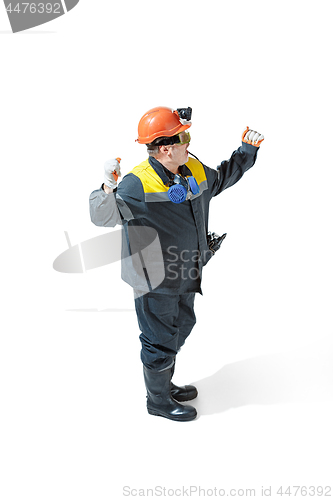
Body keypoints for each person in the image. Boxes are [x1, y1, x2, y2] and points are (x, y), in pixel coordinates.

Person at [89, 106, 264, 422]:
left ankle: (164, 383)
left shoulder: (192, 167)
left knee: (182, 325)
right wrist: (107, 187)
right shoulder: (137, 183)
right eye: (184, 137)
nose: (189, 142)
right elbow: (102, 217)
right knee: (159, 339)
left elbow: (221, 178)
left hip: (187, 270)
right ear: (166, 147)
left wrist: (246, 152)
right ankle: (157, 399)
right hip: (154, 279)